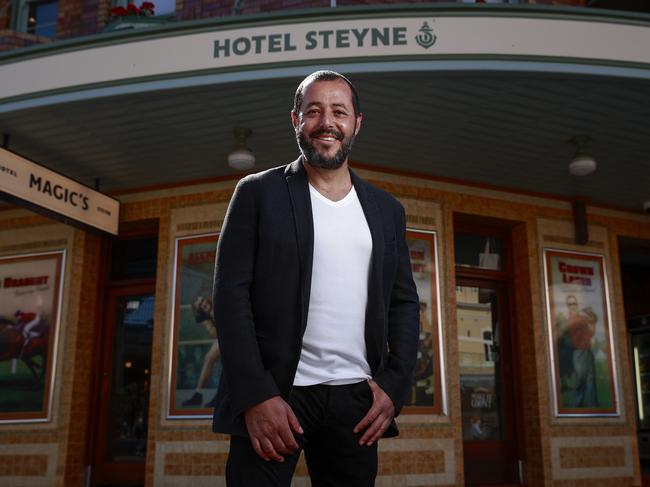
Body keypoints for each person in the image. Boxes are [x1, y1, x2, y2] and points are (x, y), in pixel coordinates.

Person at [211, 70, 420, 486]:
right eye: (314, 111)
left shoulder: (386, 210)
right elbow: (230, 297)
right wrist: (256, 395)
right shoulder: (257, 193)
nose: (327, 122)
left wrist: (394, 386)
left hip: (356, 401)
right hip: (277, 394)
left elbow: (404, 303)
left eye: (339, 112)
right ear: (296, 120)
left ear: (356, 122)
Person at [182, 296, 221, 408]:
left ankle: (220, 396)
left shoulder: (218, 302)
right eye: (200, 306)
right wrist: (208, 320)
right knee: (209, 358)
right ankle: (198, 395)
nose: (203, 304)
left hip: (236, 332)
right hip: (225, 336)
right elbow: (215, 334)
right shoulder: (205, 316)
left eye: (203, 301)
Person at [564, 295, 598, 407]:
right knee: (581, 381)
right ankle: (577, 405)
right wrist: (590, 313)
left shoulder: (581, 318)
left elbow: (591, 332)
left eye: (574, 303)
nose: (572, 306)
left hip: (588, 352)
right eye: (570, 304)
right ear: (567, 307)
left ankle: (592, 406)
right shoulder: (572, 320)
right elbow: (593, 319)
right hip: (578, 353)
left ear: (577, 305)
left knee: (590, 380)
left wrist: (592, 320)